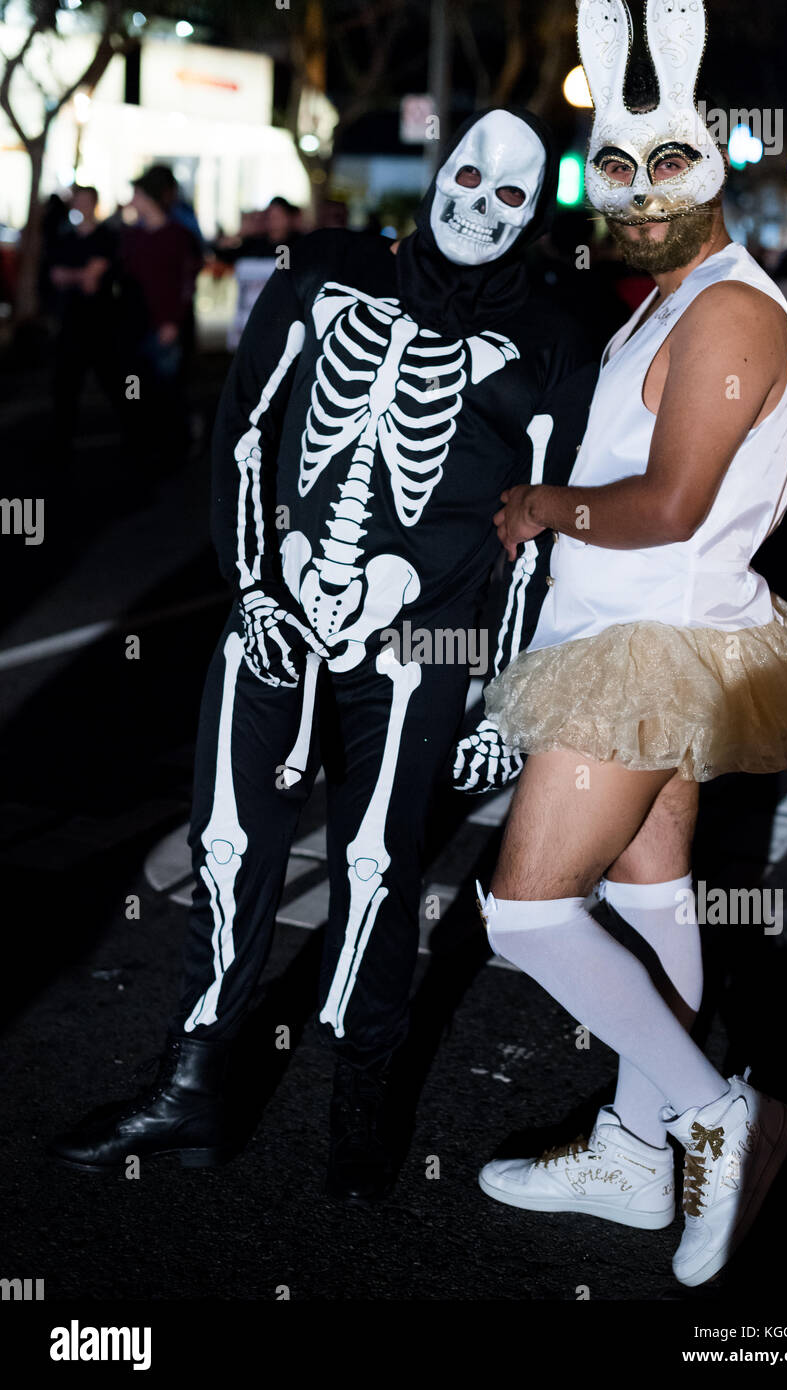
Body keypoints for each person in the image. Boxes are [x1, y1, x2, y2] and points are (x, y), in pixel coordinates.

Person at [49, 108, 596, 1203]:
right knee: (228, 842)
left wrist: (503, 697)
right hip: (278, 609)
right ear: (439, 173)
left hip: (419, 638)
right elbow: (247, 424)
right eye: (468, 176)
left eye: (509, 197)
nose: (478, 207)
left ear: (535, 215)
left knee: (381, 867)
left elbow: (541, 532)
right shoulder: (330, 274)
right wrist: (255, 582)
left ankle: (363, 1096)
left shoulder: (545, 337)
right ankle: (195, 1085)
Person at [473, 0, 787, 1289]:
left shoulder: (733, 311)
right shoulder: (666, 301)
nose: (635, 195)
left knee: (524, 912)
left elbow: (674, 502)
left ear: (718, 166)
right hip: (628, 629)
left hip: (649, 634)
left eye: (665, 165)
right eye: (614, 170)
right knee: (648, 888)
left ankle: (719, 1115)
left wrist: (544, 507)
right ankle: (638, 1151)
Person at [116, 166, 203, 464]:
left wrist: (174, 321)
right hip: (136, 325)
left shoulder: (178, 236)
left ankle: (175, 446)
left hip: (166, 326)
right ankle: (143, 444)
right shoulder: (132, 236)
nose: (133, 200)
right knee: (136, 389)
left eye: (138, 194)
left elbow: (186, 282)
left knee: (168, 390)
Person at [45, 185, 119, 444]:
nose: (82, 206)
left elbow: (94, 276)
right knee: (65, 385)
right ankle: (61, 439)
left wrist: (74, 275)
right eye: (78, 201)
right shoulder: (64, 239)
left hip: (101, 324)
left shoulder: (107, 237)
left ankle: (134, 427)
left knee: (120, 381)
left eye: (87, 201)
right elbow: (58, 276)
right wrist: (82, 275)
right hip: (70, 324)